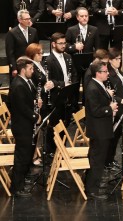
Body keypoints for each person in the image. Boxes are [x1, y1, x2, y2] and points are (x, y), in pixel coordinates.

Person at [8, 57, 42, 197]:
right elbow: (21, 107)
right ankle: (17, 188)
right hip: (22, 126)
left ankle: (22, 181)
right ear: (23, 70)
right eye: (30, 69)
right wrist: (36, 116)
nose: (33, 71)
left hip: (26, 124)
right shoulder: (18, 85)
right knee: (21, 157)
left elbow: (28, 101)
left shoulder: (26, 82)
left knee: (26, 155)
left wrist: (36, 102)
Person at [85, 60, 118, 200]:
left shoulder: (99, 85)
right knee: (97, 160)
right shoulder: (93, 87)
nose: (108, 73)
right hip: (99, 130)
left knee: (97, 158)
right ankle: (93, 189)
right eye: (105, 71)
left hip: (101, 128)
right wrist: (109, 109)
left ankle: (92, 185)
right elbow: (95, 110)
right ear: (98, 73)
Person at [45, 32, 78, 155]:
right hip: (56, 97)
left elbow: (74, 73)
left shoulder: (68, 57)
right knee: (54, 124)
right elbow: (49, 79)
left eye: (65, 43)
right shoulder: (48, 60)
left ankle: (61, 148)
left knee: (64, 123)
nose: (63, 45)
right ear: (53, 44)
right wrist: (64, 85)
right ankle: (51, 150)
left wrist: (73, 84)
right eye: (61, 43)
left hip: (67, 96)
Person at [104, 48, 123, 172]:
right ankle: (107, 161)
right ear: (110, 60)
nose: (119, 61)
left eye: (120, 58)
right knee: (113, 136)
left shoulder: (117, 71)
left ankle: (111, 159)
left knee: (117, 136)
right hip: (116, 109)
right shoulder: (108, 74)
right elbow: (107, 94)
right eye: (117, 59)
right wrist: (122, 100)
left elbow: (122, 87)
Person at [25, 43, 55, 166]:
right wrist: (44, 89)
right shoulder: (31, 68)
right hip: (37, 102)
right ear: (32, 55)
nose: (42, 55)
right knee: (35, 130)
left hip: (44, 100)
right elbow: (33, 88)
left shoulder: (41, 64)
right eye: (39, 53)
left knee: (41, 128)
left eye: (42, 52)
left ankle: (37, 153)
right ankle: (32, 156)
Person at [6, 9, 39, 83]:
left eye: (29, 18)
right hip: (19, 67)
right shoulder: (12, 33)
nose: (29, 20)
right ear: (19, 20)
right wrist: (14, 68)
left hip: (31, 66)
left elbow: (36, 48)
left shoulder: (33, 31)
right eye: (26, 19)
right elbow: (10, 53)